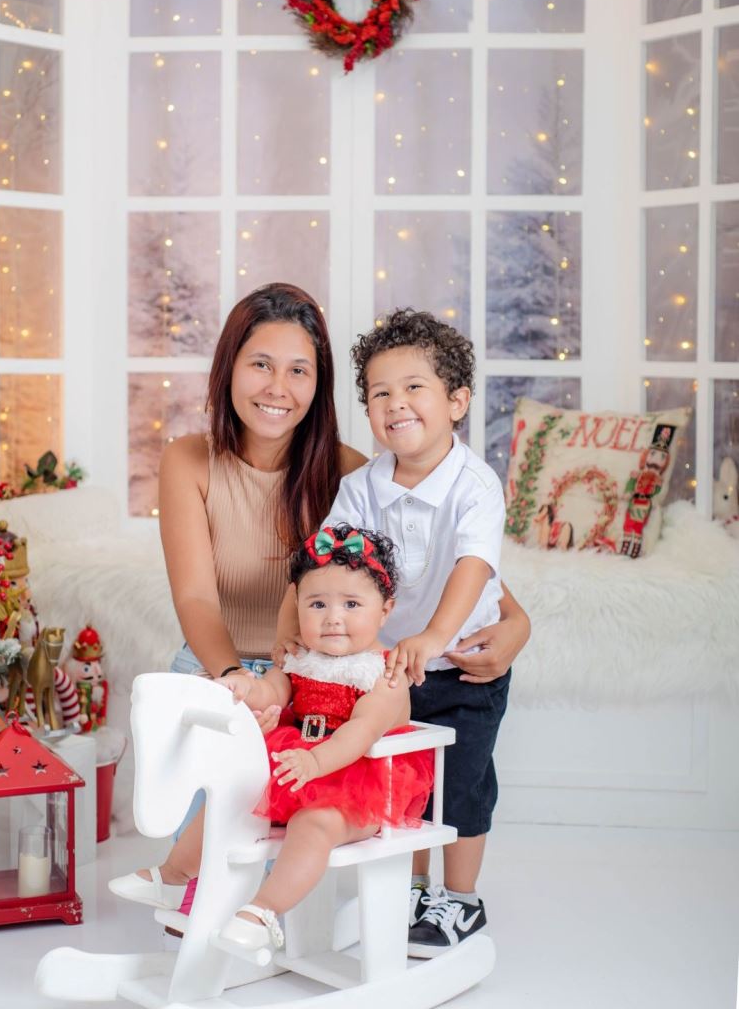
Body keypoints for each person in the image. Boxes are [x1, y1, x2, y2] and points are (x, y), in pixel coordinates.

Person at [110, 524, 433, 953]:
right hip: (299, 767)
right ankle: (173, 877)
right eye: (317, 604)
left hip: (358, 785)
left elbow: (362, 730)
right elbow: (274, 691)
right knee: (234, 797)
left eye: (352, 604)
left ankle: (262, 912)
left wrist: (316, 762)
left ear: (385, 610)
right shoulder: (302, 659)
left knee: (313, 825)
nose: (333, 617)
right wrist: (244, 687)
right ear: (297, 606)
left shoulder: (384, 674)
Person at [310, 307, 517, 957]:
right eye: (380, 393)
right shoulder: (360, 488)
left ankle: (462, 898)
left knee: (461, 787)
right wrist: (314, 632)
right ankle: (414, 889)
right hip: (391, 672)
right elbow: (329, 561)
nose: (395, 403)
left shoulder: (475, 486)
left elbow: (472, 565)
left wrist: (433, 635)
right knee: (405, 783)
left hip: (463, 668)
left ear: (457, 401)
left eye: (414, 387)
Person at [160, 282, 367, 829]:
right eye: (261, 365)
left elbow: (421, 561)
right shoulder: (187, 460)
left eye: (298, 370)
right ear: (229, 367)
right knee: (199, 857)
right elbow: (195, 597)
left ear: (318, 383)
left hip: (307, 683)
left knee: (275, 859)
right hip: (213, 671)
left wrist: (513, 619)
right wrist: (236, 681)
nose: (278, 388)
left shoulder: (350, 472)